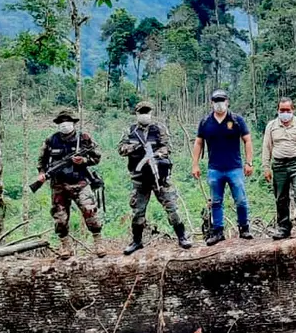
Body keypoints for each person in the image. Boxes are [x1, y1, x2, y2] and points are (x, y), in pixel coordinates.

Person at [118, 102, 192, 255]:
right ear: (137, 114)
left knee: (172, 207)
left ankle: (182, 237)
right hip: (139, 178)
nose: (145, 115)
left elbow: (168, 147)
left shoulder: (159, 128)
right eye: (141, 112)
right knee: (138, 212)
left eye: (147, 112)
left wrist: (157, 154)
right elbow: (121, 149)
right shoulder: (130, 130)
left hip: (159, 177)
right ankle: (137, 241)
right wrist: (135, 147)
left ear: (151, 113)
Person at [36, 109, 103, 259]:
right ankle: (65, 246)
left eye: (67, 122)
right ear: (58, 124)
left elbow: (97, 157)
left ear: (73, 123)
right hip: (59, 185)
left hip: (80, 183)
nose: (64, 125)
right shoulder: (51, 140)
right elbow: (42, 160)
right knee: (60, 218)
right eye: (61, 122)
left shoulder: (83, 139)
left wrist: (84, 161)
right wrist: (42, 173)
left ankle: (98, 243)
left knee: (90, 211)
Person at [191, 89, 254, 245]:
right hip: (214, 169)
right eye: (216, 100)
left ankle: (244, 228)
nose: (219, 104)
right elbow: (199, 143)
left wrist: (249, 162)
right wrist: (195, 164)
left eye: (222, 100)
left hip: (235, 168)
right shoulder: (206, 122)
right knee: (216, 202)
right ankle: (218, 232)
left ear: (227, 101)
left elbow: (247, 140)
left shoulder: (237, 120)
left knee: (240, 199)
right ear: (211, 103)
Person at [262, 98, 296, 239]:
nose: (285, 113)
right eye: (282, 110)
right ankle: (283, 228)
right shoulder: (271, 126)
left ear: (293, 110)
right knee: (281, 198)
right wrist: (266, 167)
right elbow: (267, 147)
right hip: (279, 165)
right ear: (278, 110)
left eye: (288, 110)